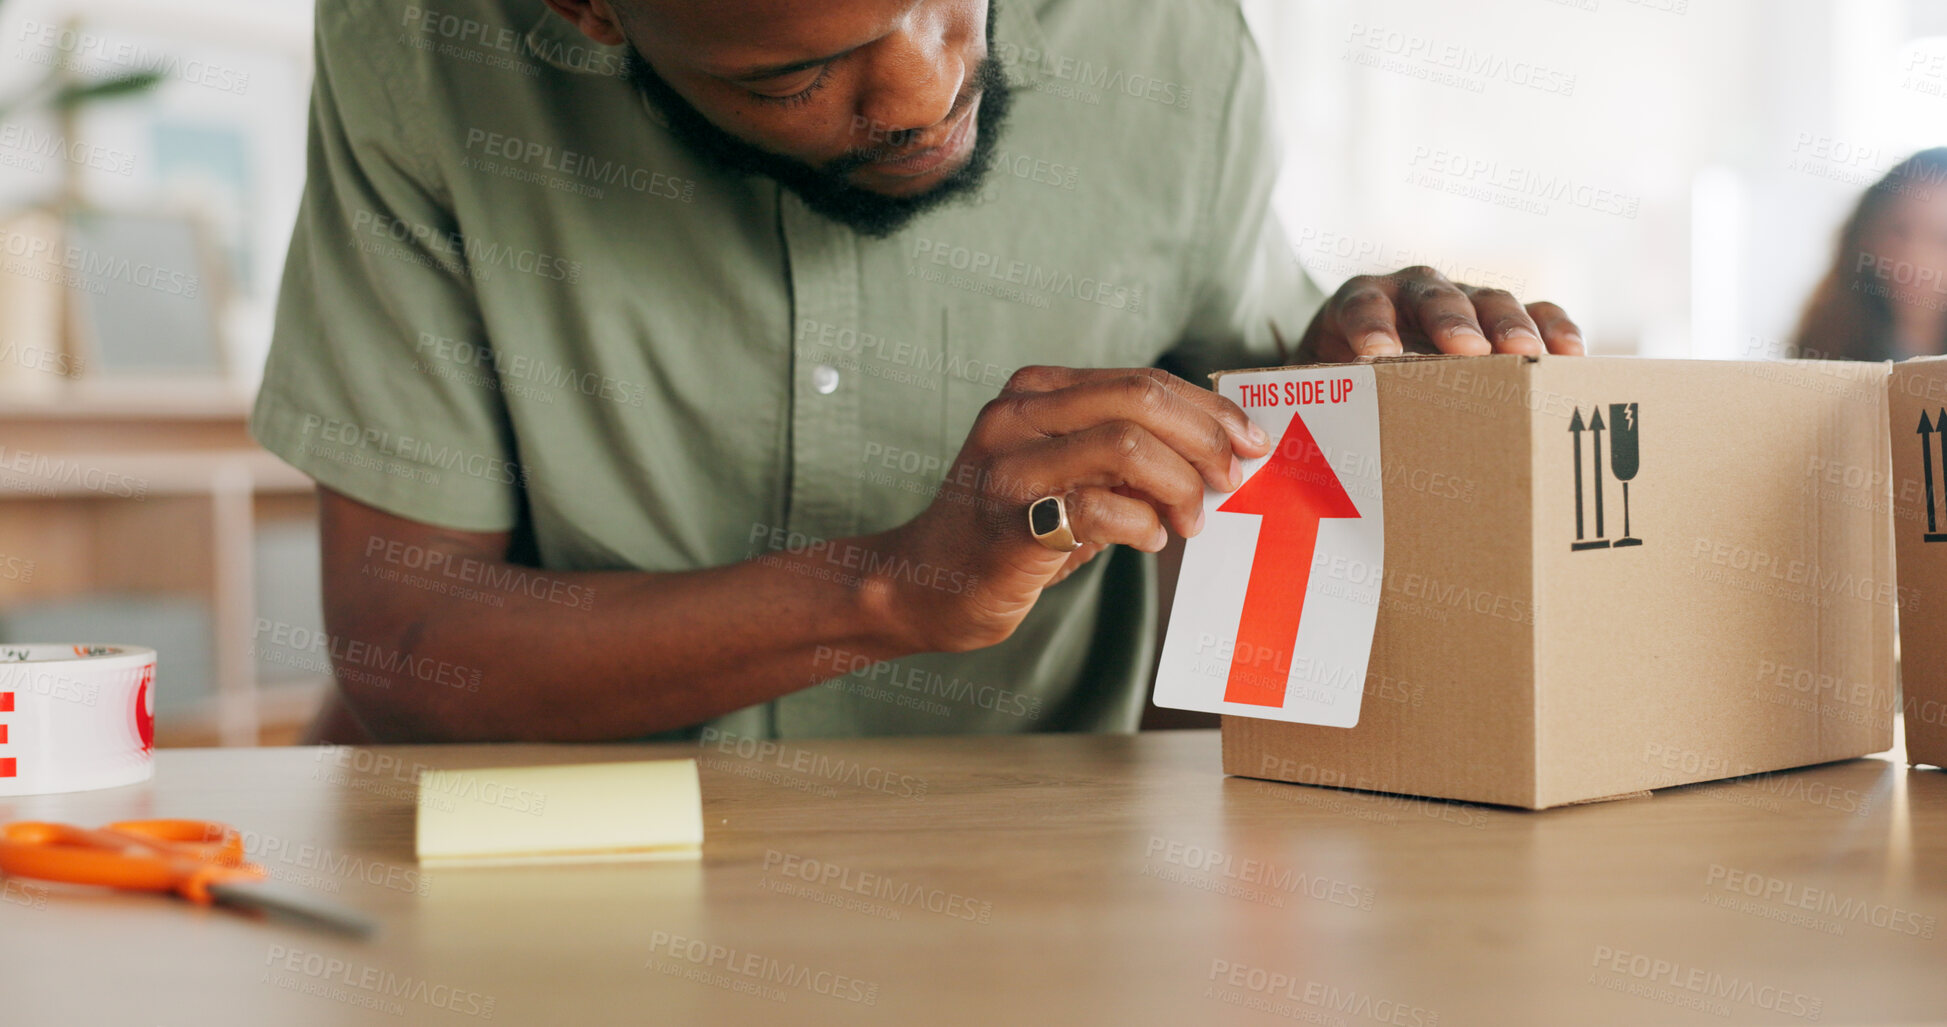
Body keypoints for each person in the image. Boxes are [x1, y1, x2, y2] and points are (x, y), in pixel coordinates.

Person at [253, 0, 1584, 744]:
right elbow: (401, 641)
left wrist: (1357, 381)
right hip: (571, 886)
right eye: (800, 72)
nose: (925, 90)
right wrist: (892, 587)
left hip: (1050, 892)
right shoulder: (423, 48)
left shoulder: (1170, 44)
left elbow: (1267, 513)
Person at [1791, 147, 1947, 361]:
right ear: (1867, 233)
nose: (1914, 259)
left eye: (1941, 238)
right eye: (1899, 231)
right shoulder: (1823, 345)